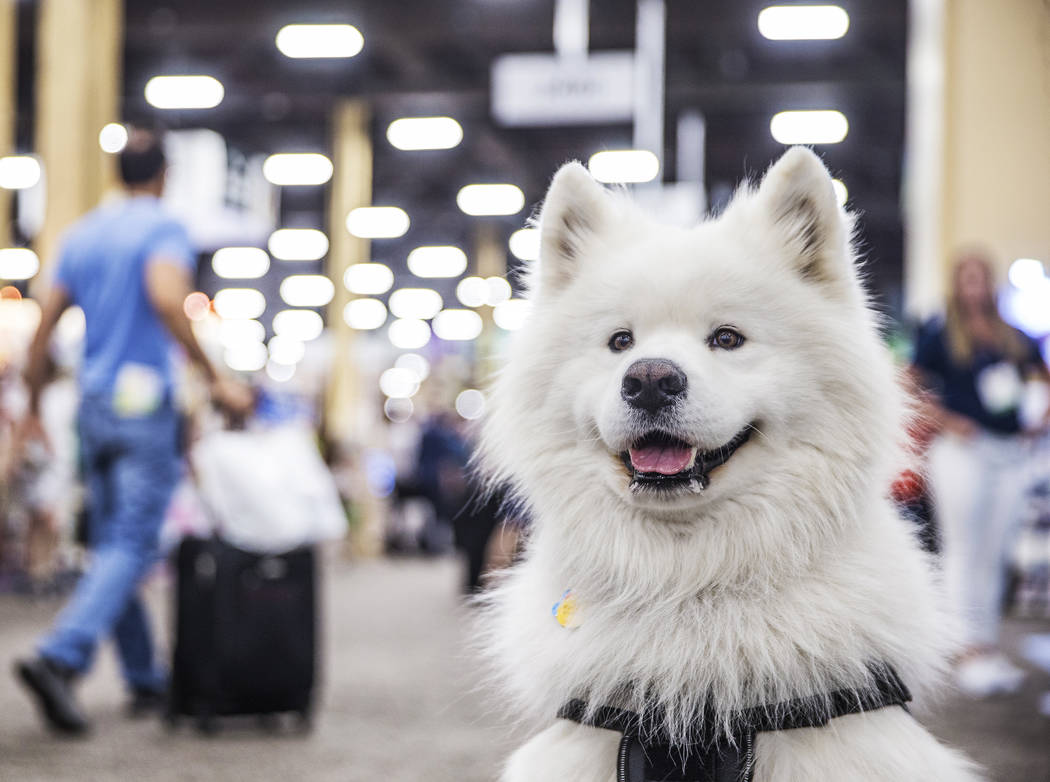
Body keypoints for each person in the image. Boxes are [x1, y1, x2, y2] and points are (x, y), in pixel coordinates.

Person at [12, 128, 253, 734]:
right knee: (135, 544)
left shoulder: (83, 233)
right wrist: (215, 377)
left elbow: (44, 327)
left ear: (119, 172)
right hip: (144, 406)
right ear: (164, 175)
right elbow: (168, 297)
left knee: (113, 544)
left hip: (93, 406)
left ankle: (146, 676)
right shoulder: (162, 228)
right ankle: (61, 657)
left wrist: (36, 404)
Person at [912, 250, 1050, 697]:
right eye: (966, 279)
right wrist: (948, 422)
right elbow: (909, 382)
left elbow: (1040, 374)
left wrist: (1038, 416)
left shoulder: (1011, 336)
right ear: (957, 284)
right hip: (962, 450)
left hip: (1009, 451)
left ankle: (987, 645)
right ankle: (964, 649)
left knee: (995, 551)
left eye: (981, 278)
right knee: (963, 550)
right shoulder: (940, 333)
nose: (974, 287)